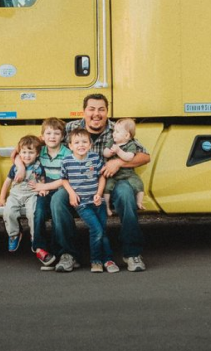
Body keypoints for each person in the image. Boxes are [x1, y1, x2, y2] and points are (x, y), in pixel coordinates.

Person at [51, 93, 150, 273]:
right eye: (92, 109)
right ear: (84, 111)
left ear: (107, 112)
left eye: (101, 109)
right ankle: (69, 254)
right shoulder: (71, 128)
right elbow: (43, 142)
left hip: (112, 182)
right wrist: (18, 155)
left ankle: (132, 253)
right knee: (58, 200)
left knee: (127, 194)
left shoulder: (118, 129)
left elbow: (145, 156)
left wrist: (119, 162)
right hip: (77, 184)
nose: (96, 114)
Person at [59, 128, 119, 273]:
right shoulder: (66, 161)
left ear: (90, 144)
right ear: (70, 146)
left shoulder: (94, 158)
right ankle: (96, 261)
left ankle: (108, 260)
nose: (81, 145)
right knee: (96, 230)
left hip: (97, 202)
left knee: (102, 231)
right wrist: (72, 194)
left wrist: (99, 194)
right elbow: (64, 180)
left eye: (84, 142)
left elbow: (101, 177)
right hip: (83, 204)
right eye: (77, 142)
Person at [29, 117, 71, 269]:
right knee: (38, 211)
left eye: (56, 133)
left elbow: (66, 178)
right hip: (44, 190)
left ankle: (56, 253)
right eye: (48, 133)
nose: (52, 137)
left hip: (60, 189)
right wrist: (42, 185)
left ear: (62, 136)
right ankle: (40, 249)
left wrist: (46, 185)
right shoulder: (40, 152)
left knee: (55, 215)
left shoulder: (67, 153)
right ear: (42, 136)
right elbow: (25, 157)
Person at [0, 135, 45, 252]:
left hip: (31, 194)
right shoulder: (15, 168)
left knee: (33, 213)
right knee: (8, 212)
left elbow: (42, 179)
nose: (27, 156)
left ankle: (34, 236)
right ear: (19, 154)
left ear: (37, 154)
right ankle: (14, 234)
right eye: (24, 152)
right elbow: (7, 182)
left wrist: (42, 189)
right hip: (15, 195)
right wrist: (2, 199)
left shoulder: (38, 166)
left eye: (30, 152)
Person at [102, 118, 145, 217]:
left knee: (139, 184)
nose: (114, 134)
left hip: (128, 174)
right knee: (107, 187)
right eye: (114, 131)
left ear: (127, 135)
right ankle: (107, 206)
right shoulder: (112, 142)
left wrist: (118, 152)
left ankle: (139, 202)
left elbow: (129, 157)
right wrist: (109, 152)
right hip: (113, 175)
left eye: (117, 132)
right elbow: (105, 153)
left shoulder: (131, 144)